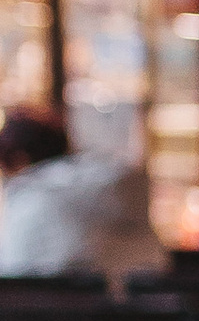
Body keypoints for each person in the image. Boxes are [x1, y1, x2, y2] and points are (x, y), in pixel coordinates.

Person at [0, 112, 163, 282]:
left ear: (19, 159)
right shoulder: (121, 183)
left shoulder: (31, 199)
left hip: (50, 305)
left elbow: (13, 275)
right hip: (147, 304)